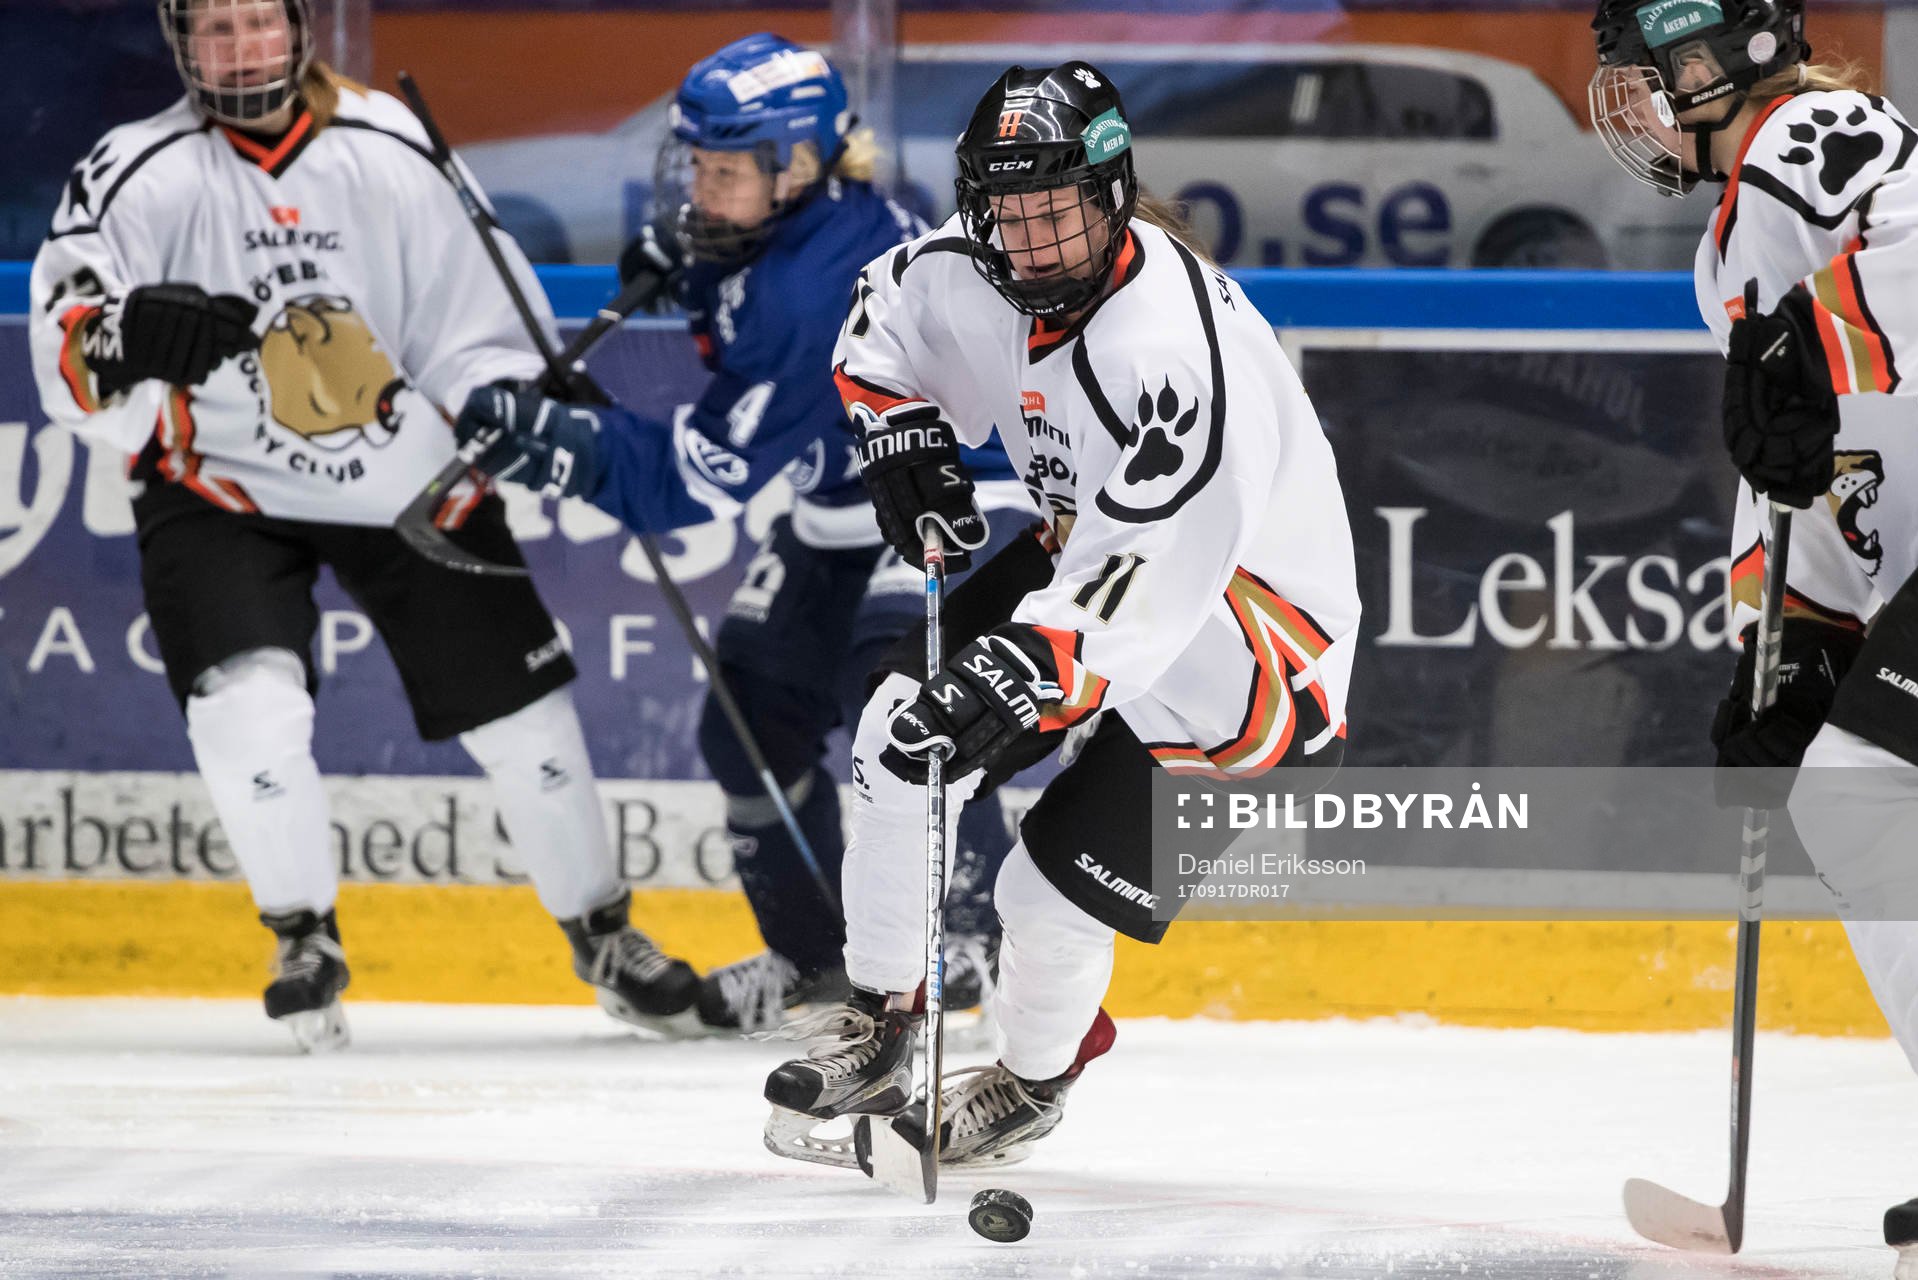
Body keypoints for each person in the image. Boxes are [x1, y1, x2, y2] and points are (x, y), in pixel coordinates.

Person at [27, 0, 699, 1052]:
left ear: (299, 25)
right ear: (179, 40)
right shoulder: (132, 170)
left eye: (258, 22)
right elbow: (68, 344)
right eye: (214, 29)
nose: (240, 49)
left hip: (409, 483)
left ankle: (605, 938)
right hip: (221, 485)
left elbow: (479, 320)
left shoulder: (390, 144)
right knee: (246, 704)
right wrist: (124, 338)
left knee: (527, 719)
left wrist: (497, 397)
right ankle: (303, 935)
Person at [757, 60, 1359, 1167]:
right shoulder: (978, 262)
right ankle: (882, 1021)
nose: (1031, 241)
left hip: (1254, 653)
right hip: (1089, 571)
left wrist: (1030, 667)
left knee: (1043, 895)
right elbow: (881, 310)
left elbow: (1159, 571)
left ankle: (1031, 1084)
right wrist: (897, 428)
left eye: (1057, 210)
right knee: (900, 739)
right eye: (1009, 211)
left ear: (1113, 194)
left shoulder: (1173, 349)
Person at [451, 33, 1028, 1034]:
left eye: (726, 171)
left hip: (945, 503)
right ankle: (819, 965)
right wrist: (693, 274)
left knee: (908, 711)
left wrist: (569, 451)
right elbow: (737, 322)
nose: (701, 188)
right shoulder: (786, 232)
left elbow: (690, 482)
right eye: (698, 166)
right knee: (751, 721)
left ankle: (972, 942)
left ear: (796, 165)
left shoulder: (815, 286)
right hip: (843, 506)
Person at [1592, 0, 1918, 1269]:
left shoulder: (1807, 137)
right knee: (1854, 795)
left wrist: (1808, 338)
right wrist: (1793, 640)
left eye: (1651, 73)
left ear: (1720, 58)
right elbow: (1809, 459)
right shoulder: (1733, 238)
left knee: (1858, 793)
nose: (1635, 103)